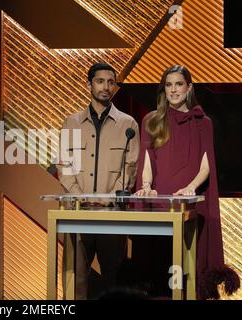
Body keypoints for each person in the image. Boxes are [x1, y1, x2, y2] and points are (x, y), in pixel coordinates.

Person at [134, 65, 238, 298]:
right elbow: (147, 158)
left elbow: (207, 162)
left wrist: (191, 188)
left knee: (189, 264)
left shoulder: (203, 122)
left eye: (178, 84)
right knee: (161, 264)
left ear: (189, 87)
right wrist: (146, 187)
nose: (173, 90)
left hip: (190, 203)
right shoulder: (151, 120)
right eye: (168, 85)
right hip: (161, 203)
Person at [56, 62, 140, 299]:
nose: (106, 86)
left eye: (111, 82)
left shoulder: (128, 124)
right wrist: (81, 197)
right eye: (100, 81)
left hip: (111, 216)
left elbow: (129, 169)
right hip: (78, 214)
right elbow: (64, 166)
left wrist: (108, 199)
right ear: (89, 84)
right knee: (75, 283)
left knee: (114, 283)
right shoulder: (71, 123)